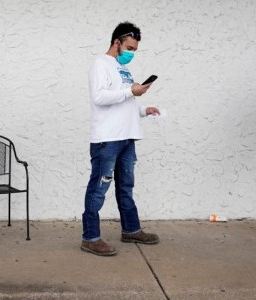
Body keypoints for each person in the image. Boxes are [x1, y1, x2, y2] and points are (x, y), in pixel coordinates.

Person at [81, 22, 161, 256]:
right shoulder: (100, 64)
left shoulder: (121, 68)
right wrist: (130, 91)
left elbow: (124, 101)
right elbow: (99, 97)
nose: (131, 53)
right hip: (108, 139)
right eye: (129, 48)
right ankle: (90, 237)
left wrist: (144, 109)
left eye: (134, 50)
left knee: (126, 186)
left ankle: (131, 229)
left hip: (127, 137)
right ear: (116, 42)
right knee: (99, 188)